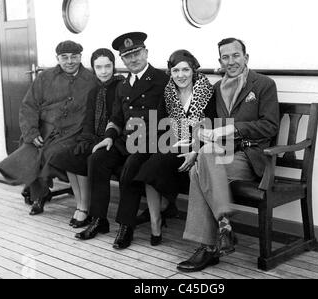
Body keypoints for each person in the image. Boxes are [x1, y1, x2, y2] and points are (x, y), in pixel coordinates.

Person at [176, 38, 280, 272]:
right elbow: (207, 125)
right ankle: (222, 231)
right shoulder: (216, 89)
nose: (231, 61)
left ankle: (209, 245)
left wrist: (233, 128)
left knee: (197, 171)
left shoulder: (263, 84)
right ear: (220, 61)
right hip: (221, 154)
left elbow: (270, 125)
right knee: (200, 161)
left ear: (246, 57)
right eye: (225, 57)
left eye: (235, 55)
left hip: (250, 155)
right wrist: (194, 148)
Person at [75, 32, 169, 244]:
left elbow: (170, 117)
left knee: (130, 168)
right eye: (127, 56)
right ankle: (99, 219)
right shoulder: (123, 86)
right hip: (126, 140)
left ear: (146, 52)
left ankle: (126, 226)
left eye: (137, 53)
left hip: (152, 142)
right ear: (122, 59)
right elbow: (117, 117)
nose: (133, 59)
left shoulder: (162, 80)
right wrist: (109, 137)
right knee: (96, 159)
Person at [0, 41, 97, 216]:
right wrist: (31, 132)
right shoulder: (45, 77)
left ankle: (38, 194)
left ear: (81, 57)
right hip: (43, 131)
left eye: (74, 57)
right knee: (29, 148)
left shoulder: (91, 81)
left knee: (50, 154)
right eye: (64, 57)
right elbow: (29, 106)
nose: (70, 61)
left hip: (72, 134)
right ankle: (37, 191)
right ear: (57, 58)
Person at [133, 50, 215, 246]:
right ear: (170, 72)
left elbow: (214, 126)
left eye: (185, 69)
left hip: (199, 146)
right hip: (174, 144)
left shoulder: (207, 91)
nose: (181, 75)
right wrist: (164, 143)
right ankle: (156, 220)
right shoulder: (169, 92)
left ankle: (165, 205)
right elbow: (160, 123)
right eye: (176, 70)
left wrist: (196, 150)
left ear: (193, 70)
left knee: (154, 165)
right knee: (150, 163)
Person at [49, 48, 124, 228]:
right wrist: (85, 139)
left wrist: (105, 137)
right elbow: (89, 118)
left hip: (113, 139)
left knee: (87, 159)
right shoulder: (94, 90)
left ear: (114, 66)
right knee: (68, 156)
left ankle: (86, 208)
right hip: (94, 137)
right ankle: (80, 204)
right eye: (99, 67)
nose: (104, 71)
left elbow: (119, 118)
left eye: (108, 66)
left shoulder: (121, 86)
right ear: (93, 68)